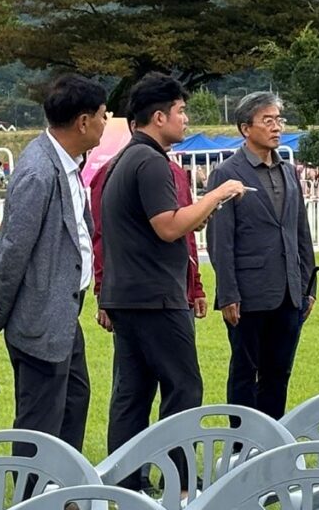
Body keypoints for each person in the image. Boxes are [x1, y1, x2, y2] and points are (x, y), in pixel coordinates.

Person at [99, 73, 247, 461]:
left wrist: (194, 214)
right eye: (181, 111)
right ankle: (177, 479)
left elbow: (162, 222)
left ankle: (126, 477)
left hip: (127, 295)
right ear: (159, 117)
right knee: (183, 387)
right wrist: (217, 194)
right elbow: (168, 227)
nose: (186, 119)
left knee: (132, 393)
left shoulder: (126, 159)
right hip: (155, 296)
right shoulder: (150, 162)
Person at [0, 74, 108, 453]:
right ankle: (31, 500)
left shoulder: (66, 163)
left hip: (63, 308)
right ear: (83, 122)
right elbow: (13, 247)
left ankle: (61, 490)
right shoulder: (39, 171)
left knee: (73, 400)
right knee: (40, 421)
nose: (105, 121)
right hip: (39, 315)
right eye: (102, 115)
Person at [205, 91, 315, 419]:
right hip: (248, 293)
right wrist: (228, 293)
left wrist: (308, 287)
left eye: (278, 120)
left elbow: (301, 233)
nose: (276, 127)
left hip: (289, 292)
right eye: (268, 121)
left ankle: (272, 441)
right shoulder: (227, 173)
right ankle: (240, 446)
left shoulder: (288, 171)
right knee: (244, 373)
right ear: (245, 128)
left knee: (278, 374)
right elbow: (220, 240)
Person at [91, 120, 208, 331]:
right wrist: (103, 290)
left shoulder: (176, 172)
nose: (185, 120)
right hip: (139, 296)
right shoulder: (115, 169)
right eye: (179, 111)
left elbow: (186, 234)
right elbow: (102, 235)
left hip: (177, 290)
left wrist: (196, 287)